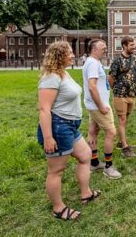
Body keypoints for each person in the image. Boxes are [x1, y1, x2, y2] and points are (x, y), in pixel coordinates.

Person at [37, 41, 100, 221]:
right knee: (56, 170)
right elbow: (44, 109)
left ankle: (86, 193)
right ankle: (58, 208)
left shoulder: (63, 73)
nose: (73, 55)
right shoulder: (51, 77)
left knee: (86, 155)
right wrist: (48, 137)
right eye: (69, 53)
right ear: (59, 56)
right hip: (58, 127)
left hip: (70, 126)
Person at [82, 39, 122, 179]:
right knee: (111, 132)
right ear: (93, 49)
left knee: (93, 132)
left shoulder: (92, 62)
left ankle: (93, 163)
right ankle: (108, 167)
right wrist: (101, 106)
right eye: (102, 47)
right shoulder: (93, 63)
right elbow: (92, 86)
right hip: (98, 106)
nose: (105, 48)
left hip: (93, 105)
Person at [108, 36, 136, 157]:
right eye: (131, 45)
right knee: (122, 120)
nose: (134, 47)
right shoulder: (117, 60)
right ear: (124, 46)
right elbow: (111, 77)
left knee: (125, 119)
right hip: (120, 95)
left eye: (134, 44)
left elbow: (135, 73)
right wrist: (116, 90)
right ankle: (125, 149)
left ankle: (121, 142)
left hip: (132, 95)